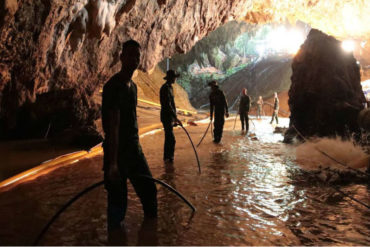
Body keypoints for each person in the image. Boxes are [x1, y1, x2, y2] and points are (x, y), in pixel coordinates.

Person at [102, 39, 157, 231]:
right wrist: (113, 163)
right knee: (118, 205)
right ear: (122, 57)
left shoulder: (132, 87)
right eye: (131, 55)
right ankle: (115, 239)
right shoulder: (113, 86)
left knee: (149, 192)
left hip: (134, 150)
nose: (135, 59)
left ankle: (151, 237)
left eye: (138, 56)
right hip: (117, 152)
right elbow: (113, 125)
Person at [160, 70, 182, 163]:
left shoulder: (170, 88)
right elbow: (167, 105)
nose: (175, 79)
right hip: (166, 116)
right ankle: (169, 158)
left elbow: (172, 104)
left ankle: (167, 158)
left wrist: (174, 118)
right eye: (174, 77)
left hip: (170, 116)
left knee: (169, 137)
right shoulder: (165, 88)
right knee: (171, 139)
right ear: (170, 78)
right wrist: (175, 118)